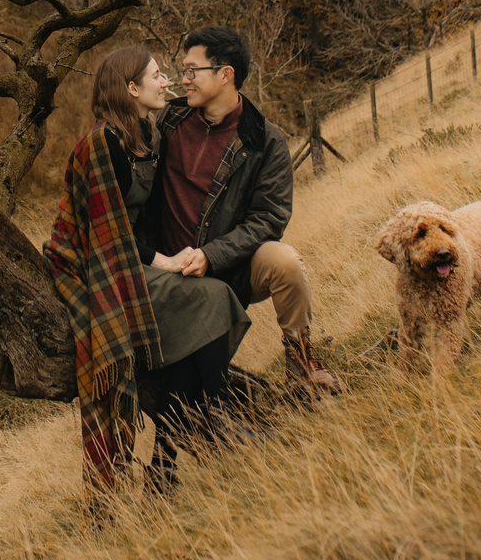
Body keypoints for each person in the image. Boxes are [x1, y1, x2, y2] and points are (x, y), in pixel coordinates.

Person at [44, 44, 248, 496]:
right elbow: (107, 234)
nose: (167, 82)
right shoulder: (104, 144)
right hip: (94, 263)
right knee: (212, 298)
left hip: (129, 256)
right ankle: (211, 423)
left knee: (199, 323)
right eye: (157, 76)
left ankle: (166, 463)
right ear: (132, 88)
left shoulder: (147, 134)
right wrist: (166, 262)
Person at [146, 25, 341, 401]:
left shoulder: (265, 140)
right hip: (166, 263)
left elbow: (270, 217)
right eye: (182, 71)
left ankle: (302, 365)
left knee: (285, 262)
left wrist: (212, 255)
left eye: (191, 71)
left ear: (225, 74)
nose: (184, 80)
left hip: (230, 264)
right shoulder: (169, 121)